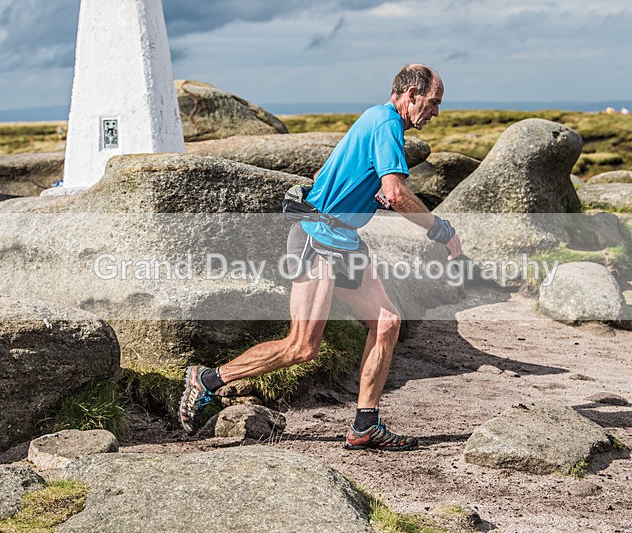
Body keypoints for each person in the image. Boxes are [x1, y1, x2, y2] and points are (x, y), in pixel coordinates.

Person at [179, 64, 461, 451]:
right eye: (433, 102)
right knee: (303, 346)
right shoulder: (386, 124)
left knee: (387, 322)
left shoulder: (376, 120)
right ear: (411, 94)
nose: (435, 112)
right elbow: (396, 193)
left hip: (344, 239)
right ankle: (207, 379)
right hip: (318, 238)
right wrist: (441, 230)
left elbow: (333, 175)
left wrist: (363, 196)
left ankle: (365, 425)